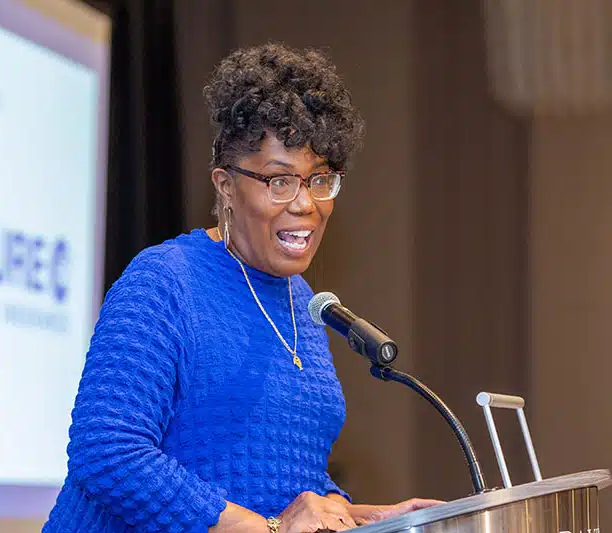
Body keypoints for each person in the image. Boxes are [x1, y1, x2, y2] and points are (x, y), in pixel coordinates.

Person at [43, 43, 439, 533]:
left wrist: (368, 518)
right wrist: (268, 529)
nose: (305, 204)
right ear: (226, 186)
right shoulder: (165, 281)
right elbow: (107, 451)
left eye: (319, 179)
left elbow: (289, 482)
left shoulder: (304, 304)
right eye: (279, 181)